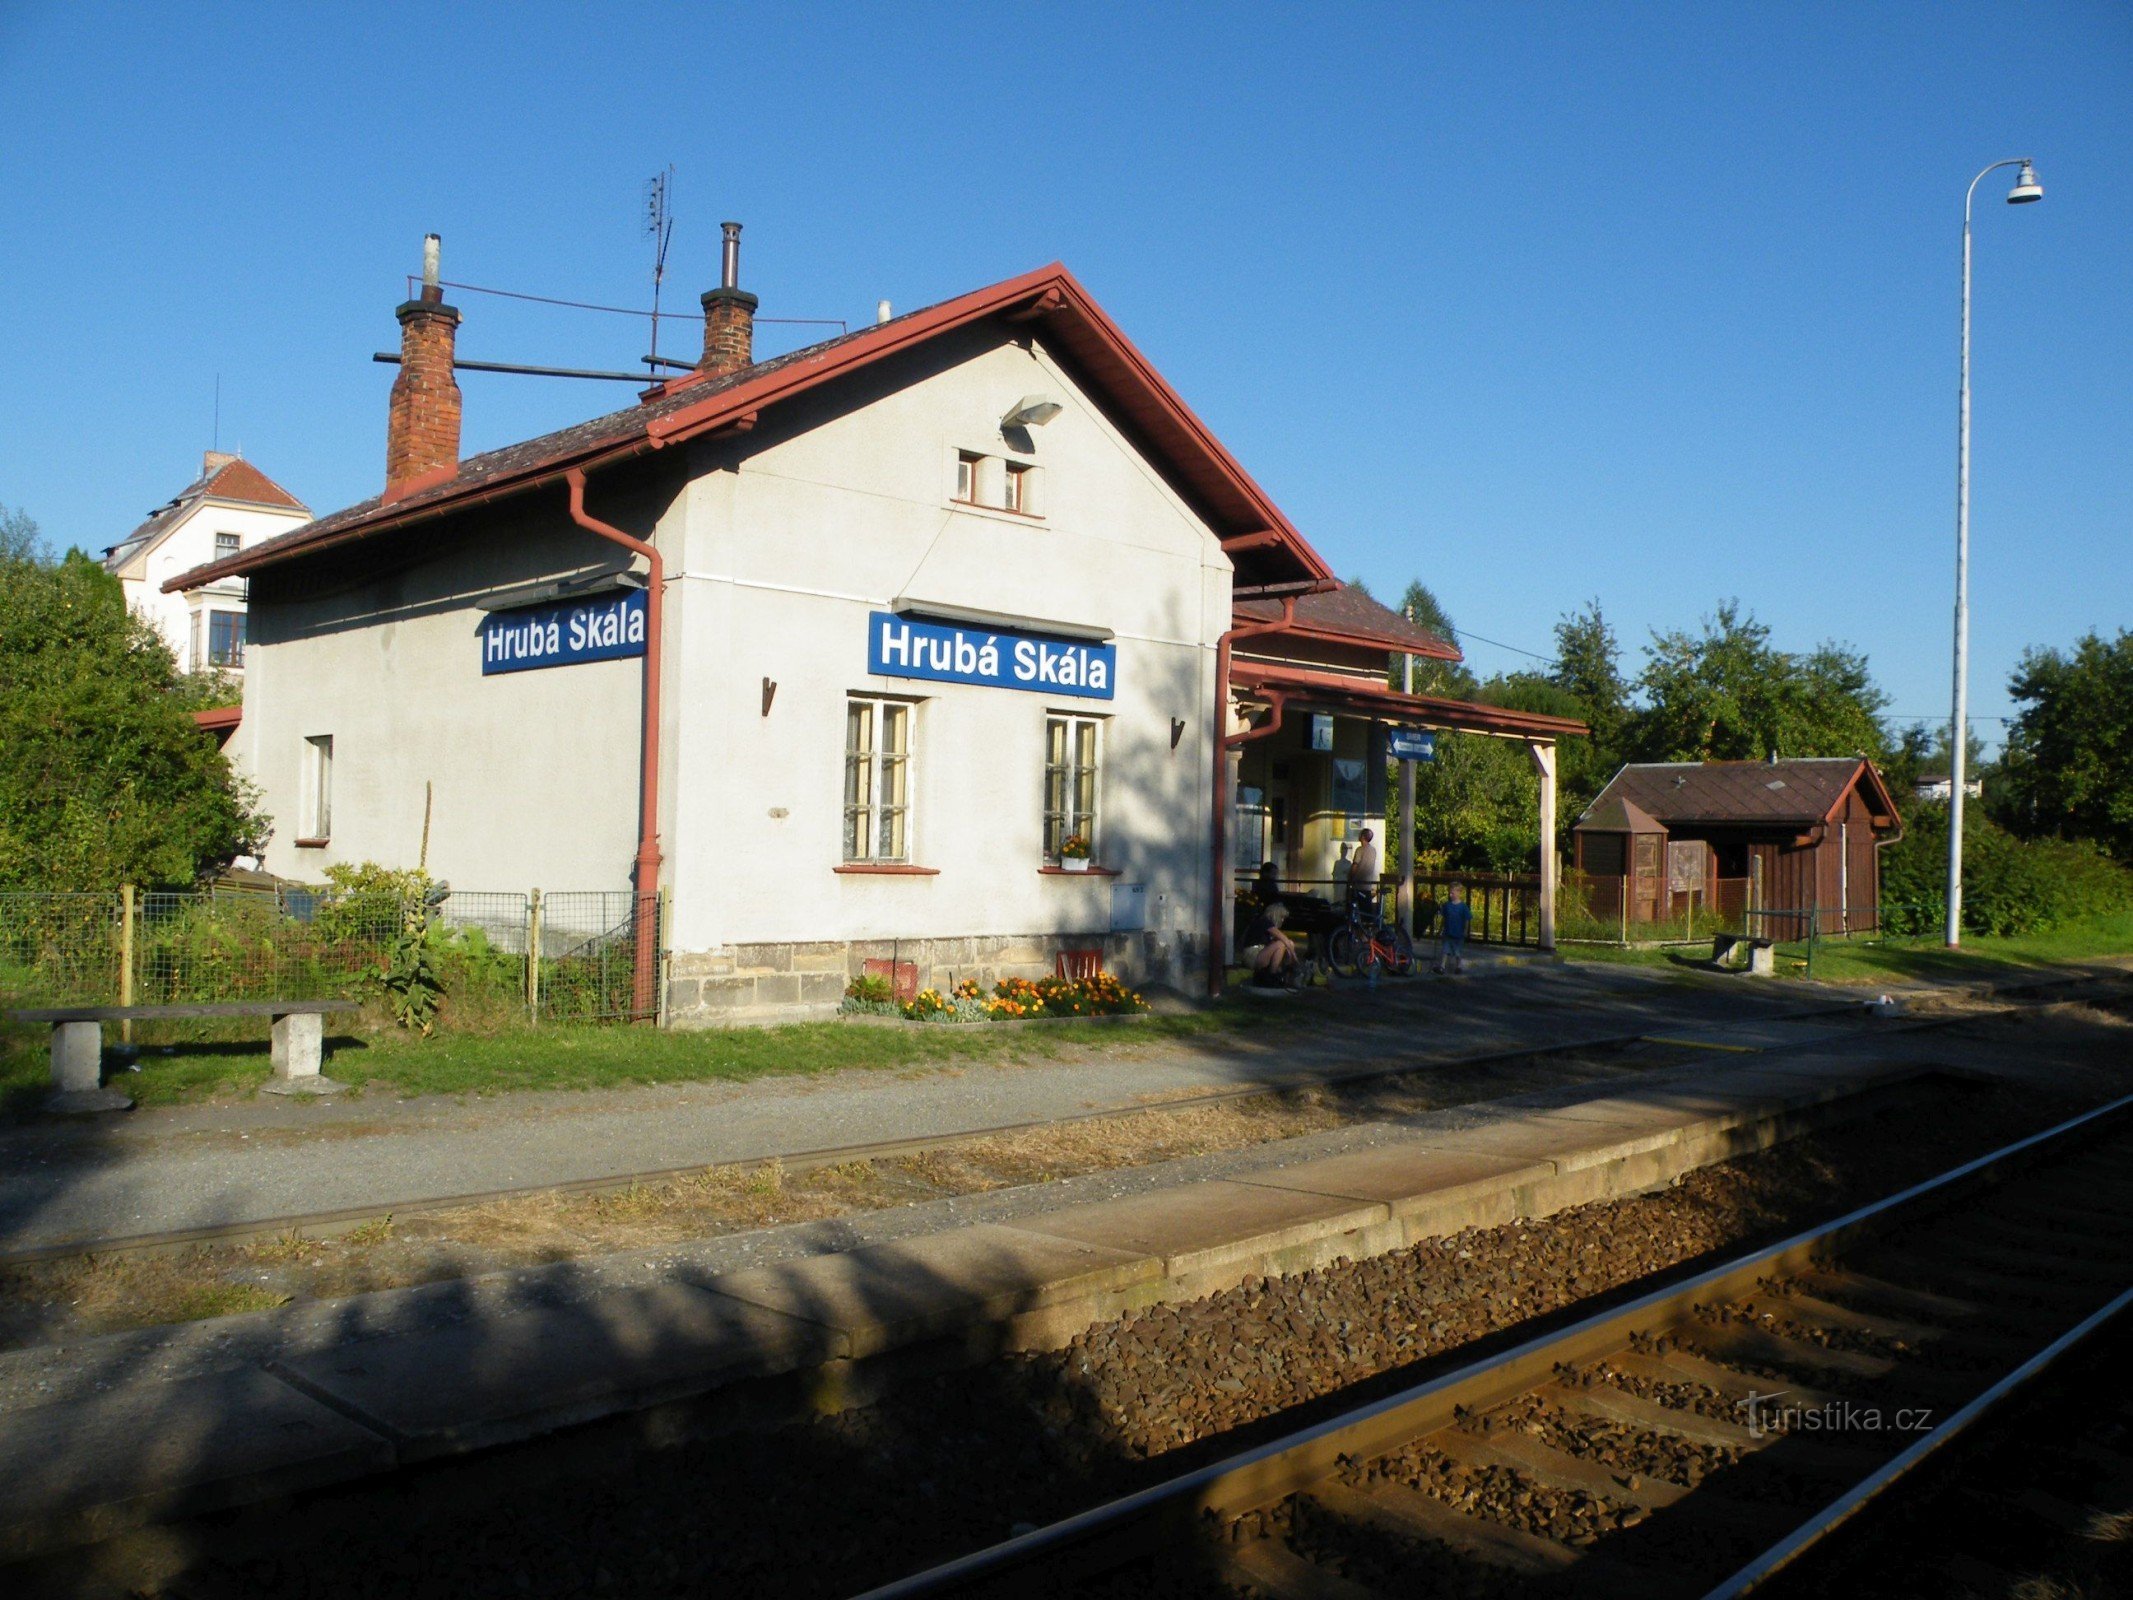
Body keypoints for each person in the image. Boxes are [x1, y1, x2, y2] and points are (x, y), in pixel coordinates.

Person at [1241, 901, 1301, 987]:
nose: (1282, 920)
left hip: (1260, 952)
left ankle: (1285, 974)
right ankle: (1272, 976)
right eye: (1282, 917)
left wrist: (1289, 954)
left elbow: (1288, 943)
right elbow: (1283, 938)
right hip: (1252, 955)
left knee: (1287, 944)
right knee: (1281, 944)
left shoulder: (1266, 924)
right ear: (1275, 915)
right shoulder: (1264, 922)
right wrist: (1295, 959)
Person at [1435, 881, 1472, 975]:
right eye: (1450, 893)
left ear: (1459, 892)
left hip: (1458, 933)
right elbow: (1444, 918)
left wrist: (1465, 931)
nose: (1450, 895)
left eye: (1452, 893)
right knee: (1445, 950)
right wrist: (1440, 930)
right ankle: (1442, 966)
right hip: (1448, 932)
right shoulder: (1447, 906)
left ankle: (1458, 966)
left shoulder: (1463, 907)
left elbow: (1467, 919)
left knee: (1457, 951)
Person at [1348, 828, 1381, 917]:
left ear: (1362, 837)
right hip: (1368, 885)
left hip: (1358, 884)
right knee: (1366, 909)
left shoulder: (1360, 850)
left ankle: (1354, 928)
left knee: (1352, 908)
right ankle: (1368, 927)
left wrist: (1350, 878)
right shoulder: (1373, 850)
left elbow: (1355, 865)